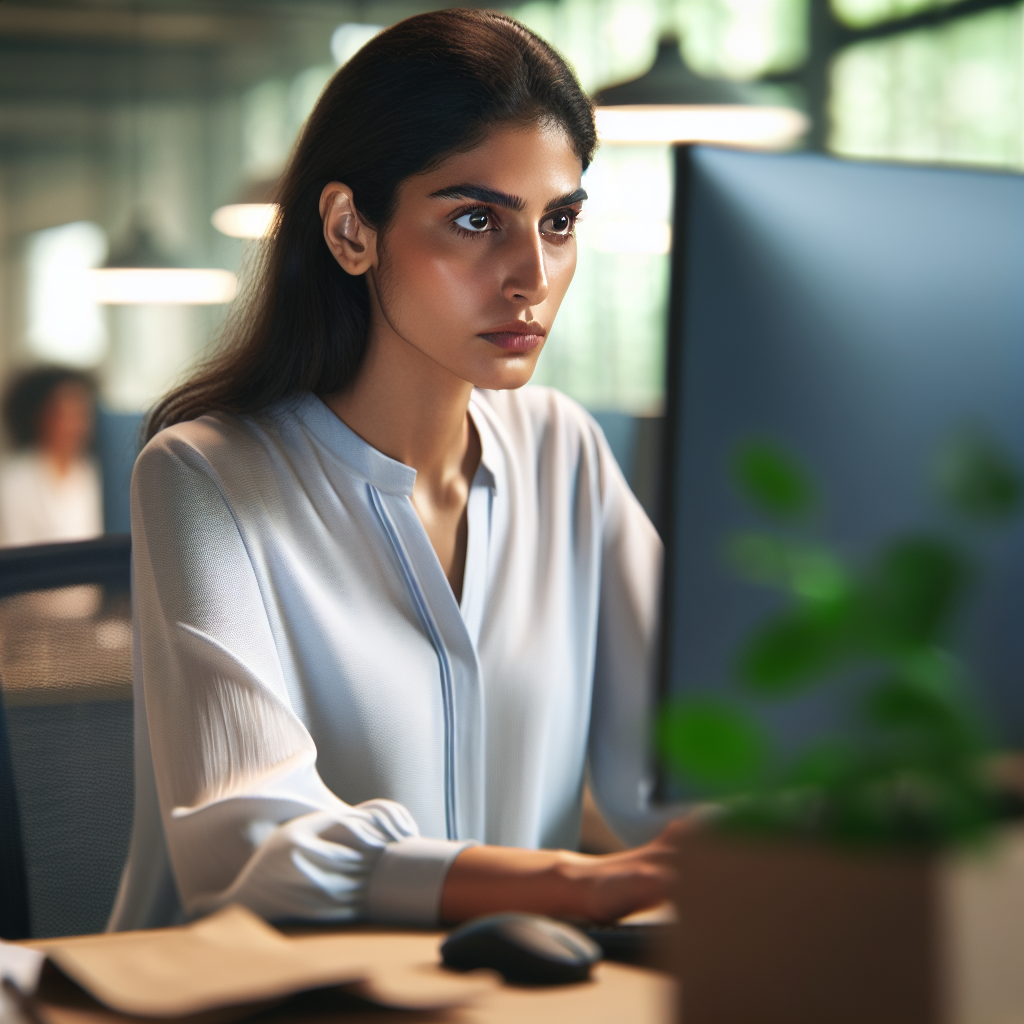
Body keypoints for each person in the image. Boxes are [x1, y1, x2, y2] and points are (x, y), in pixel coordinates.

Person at [111, 8, 689, 933]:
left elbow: (684, 770)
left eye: (560, 221)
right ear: (349, 230)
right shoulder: (204, 476)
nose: (531, 275)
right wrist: (572, 886)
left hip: (497, 994)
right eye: (475, 219)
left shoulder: (563, 451)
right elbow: (251, 842)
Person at [0, 366, 103, 547]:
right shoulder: (13, 479)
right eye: (64, 415)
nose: (75, 426)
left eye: (81, 415)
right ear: (40, 416)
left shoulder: (95, 475)